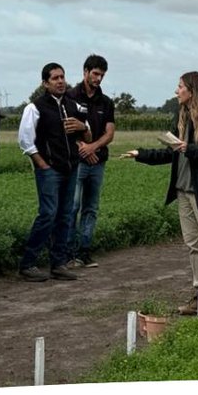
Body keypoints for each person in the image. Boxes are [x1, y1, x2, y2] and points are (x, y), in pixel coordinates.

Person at [122, 72, 198, 312]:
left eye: (180, 87)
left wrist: (192, 149)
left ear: (192, 90)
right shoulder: (181, 116)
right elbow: (170, 153)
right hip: (184, 193)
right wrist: (141, 154)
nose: (177, 91)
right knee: (194, 246)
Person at [17, 63, 91, 281]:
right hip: (50, 169)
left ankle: (58, 263)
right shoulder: (35, 108)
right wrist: (42, 164)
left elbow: (87, 137)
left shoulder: (73, 106)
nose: (60, 81)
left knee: (65, 215)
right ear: (45, 83)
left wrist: (82, 127)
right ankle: (28, 263)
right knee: (48, 214)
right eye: (55, 78)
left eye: (62, 77)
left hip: (71, 167)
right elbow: (25, 141)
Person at [68, 54, 116, 268]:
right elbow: (66, 128)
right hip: (76, 162)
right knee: (73, 206)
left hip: (97, 161)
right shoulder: (70, 97)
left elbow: (109, 133)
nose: (98, 79)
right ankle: (67, 253)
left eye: (102, 75)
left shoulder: (106, 102)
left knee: (91, 208)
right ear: (85, 72)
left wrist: (92, 147)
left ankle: (84, 251)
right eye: (95, 74)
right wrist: (83, 149)